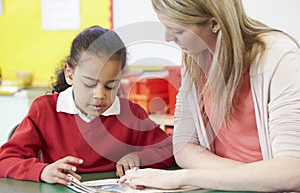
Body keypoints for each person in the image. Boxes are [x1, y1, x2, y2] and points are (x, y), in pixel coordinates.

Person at [120, 0, 300, 191]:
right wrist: (258, 177)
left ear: (214, 23)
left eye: (176, 30)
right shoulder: (194, 61)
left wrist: (182, 178)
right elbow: (183, 148)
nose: (168, 38)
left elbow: (292, 171)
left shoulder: (278, 56)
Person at [0, 25, 175, 186]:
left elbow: (171, 150)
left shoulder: (131, 114)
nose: (100, 95)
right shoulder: (45, 110)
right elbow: (5, 160)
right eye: (90, 84)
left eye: (110, 86)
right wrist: (42, 171)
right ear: (70, 74)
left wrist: (139, 157)